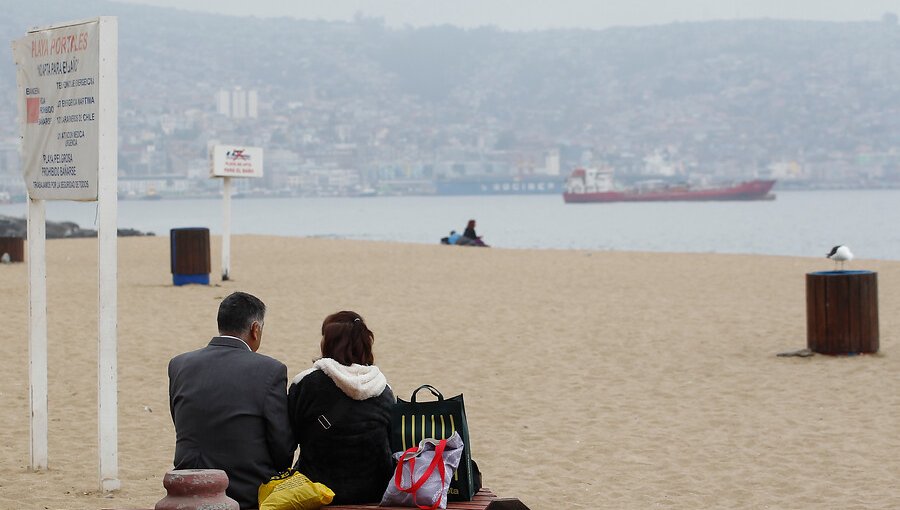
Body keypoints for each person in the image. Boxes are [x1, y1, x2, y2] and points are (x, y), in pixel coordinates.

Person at [168, 292, 295, 509]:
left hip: (187, 486)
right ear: (255, 329)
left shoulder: (179, 365)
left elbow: (181, 419)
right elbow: (281, 448)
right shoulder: (270, 370)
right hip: (245, 492)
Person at [288, 311, 395, 504]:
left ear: (327, 342)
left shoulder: (306, 383)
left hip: (318, 489)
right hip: (375, 491)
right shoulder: (382, 388)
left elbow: (289, 438)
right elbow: (391, 441)